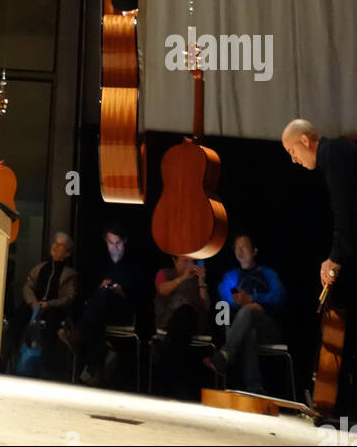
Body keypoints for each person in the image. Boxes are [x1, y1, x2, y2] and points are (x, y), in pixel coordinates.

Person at [282, 118, 357, 411]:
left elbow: (347, 216)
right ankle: (335, 401)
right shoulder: (334, 156)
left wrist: (335, 259)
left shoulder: (334, 153)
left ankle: (337, 403)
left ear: (305, 140)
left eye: (292, 150)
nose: (293, 159)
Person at [206, 234, 285, 394]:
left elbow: (279, 297)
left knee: (248, 314)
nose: (239, 251)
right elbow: (225, 296)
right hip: (241, 328)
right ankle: (255, 389)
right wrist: (245, 303)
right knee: (249, 330)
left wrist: (255, 300)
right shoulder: (231, 276)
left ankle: (225, 354)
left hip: (268, 328)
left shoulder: (268, 274)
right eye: (236, 247)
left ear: (254, 251)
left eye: (244, 247)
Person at [75, 222, 141, 387]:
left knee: (93, 317)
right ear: (106, 241)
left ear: (124, 241)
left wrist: (121, 292)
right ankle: (100, 360)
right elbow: (87, 291)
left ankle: (79, 335)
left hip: (121, 310)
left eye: (118, 243)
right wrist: (101, 287)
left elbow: (139, 297)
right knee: (100, 302)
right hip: (99, 312)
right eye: (111, 243)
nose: (114, 247)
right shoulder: (99, 263)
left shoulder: (133, 265)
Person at [11, 231, 78, 378]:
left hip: (53, 308)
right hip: (34, 305)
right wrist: (34, 303)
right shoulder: (40, 267)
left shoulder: (70, 274)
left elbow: (69, 297)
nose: (54, 246)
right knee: (18, 318)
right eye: (54, 242)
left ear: (67, 253)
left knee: (52, 324)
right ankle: (14, 359)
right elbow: (28, 287)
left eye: (60, 245)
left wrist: (49, 304)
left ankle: (44, 366)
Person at [152, 255, 210, 400]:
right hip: (169, 321)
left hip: (192, 322)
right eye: (185, 261)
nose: (189, 264)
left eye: (192, 261)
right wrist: (182, 278)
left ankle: (167, 383)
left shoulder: (196, 278)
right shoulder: (165, 273)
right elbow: (162, 290)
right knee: (181, 315)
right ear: (174, 261)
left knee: (186, 313)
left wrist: (201, 282)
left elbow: (206, 306)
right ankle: (177, 385)